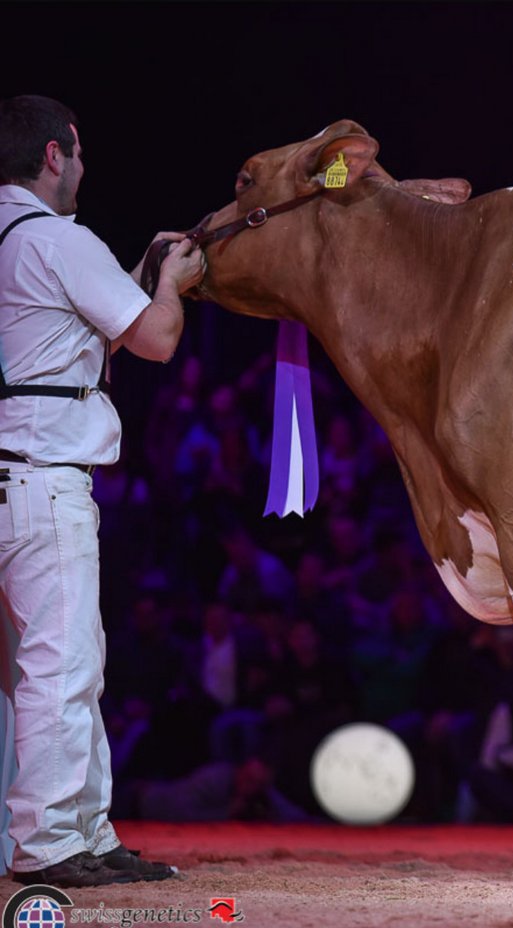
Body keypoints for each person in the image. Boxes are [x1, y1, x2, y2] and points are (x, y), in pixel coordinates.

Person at [0, 95, 204, 887]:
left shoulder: (17, 238)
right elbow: (151, 339)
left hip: (15, 472)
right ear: (55, 154)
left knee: (56, 663)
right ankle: (50, 843)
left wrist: (137, 277)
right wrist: (173, 283)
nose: (82, 168)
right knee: (62, 666)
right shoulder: (58, 237)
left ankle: (85, 828)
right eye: (77, 154)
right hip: (45, 483)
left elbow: (64, 330)